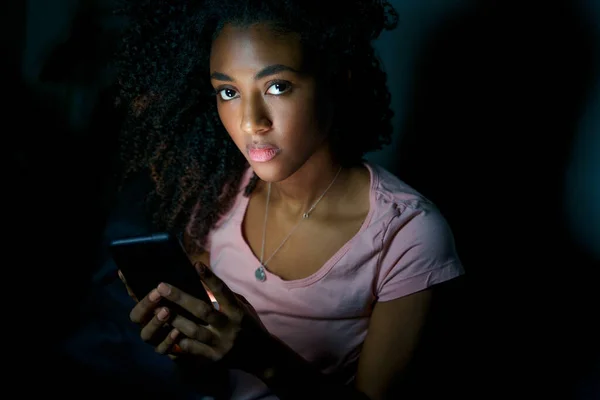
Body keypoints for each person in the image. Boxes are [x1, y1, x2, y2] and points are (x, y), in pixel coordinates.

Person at [113, 0, 465, 399]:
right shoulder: (219, 196)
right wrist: (184, 344)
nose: (250, 122)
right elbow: (211, 378)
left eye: (277, 86)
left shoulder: (408, 234)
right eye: (228, 91)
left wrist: (261, 356)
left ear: (338, 79)